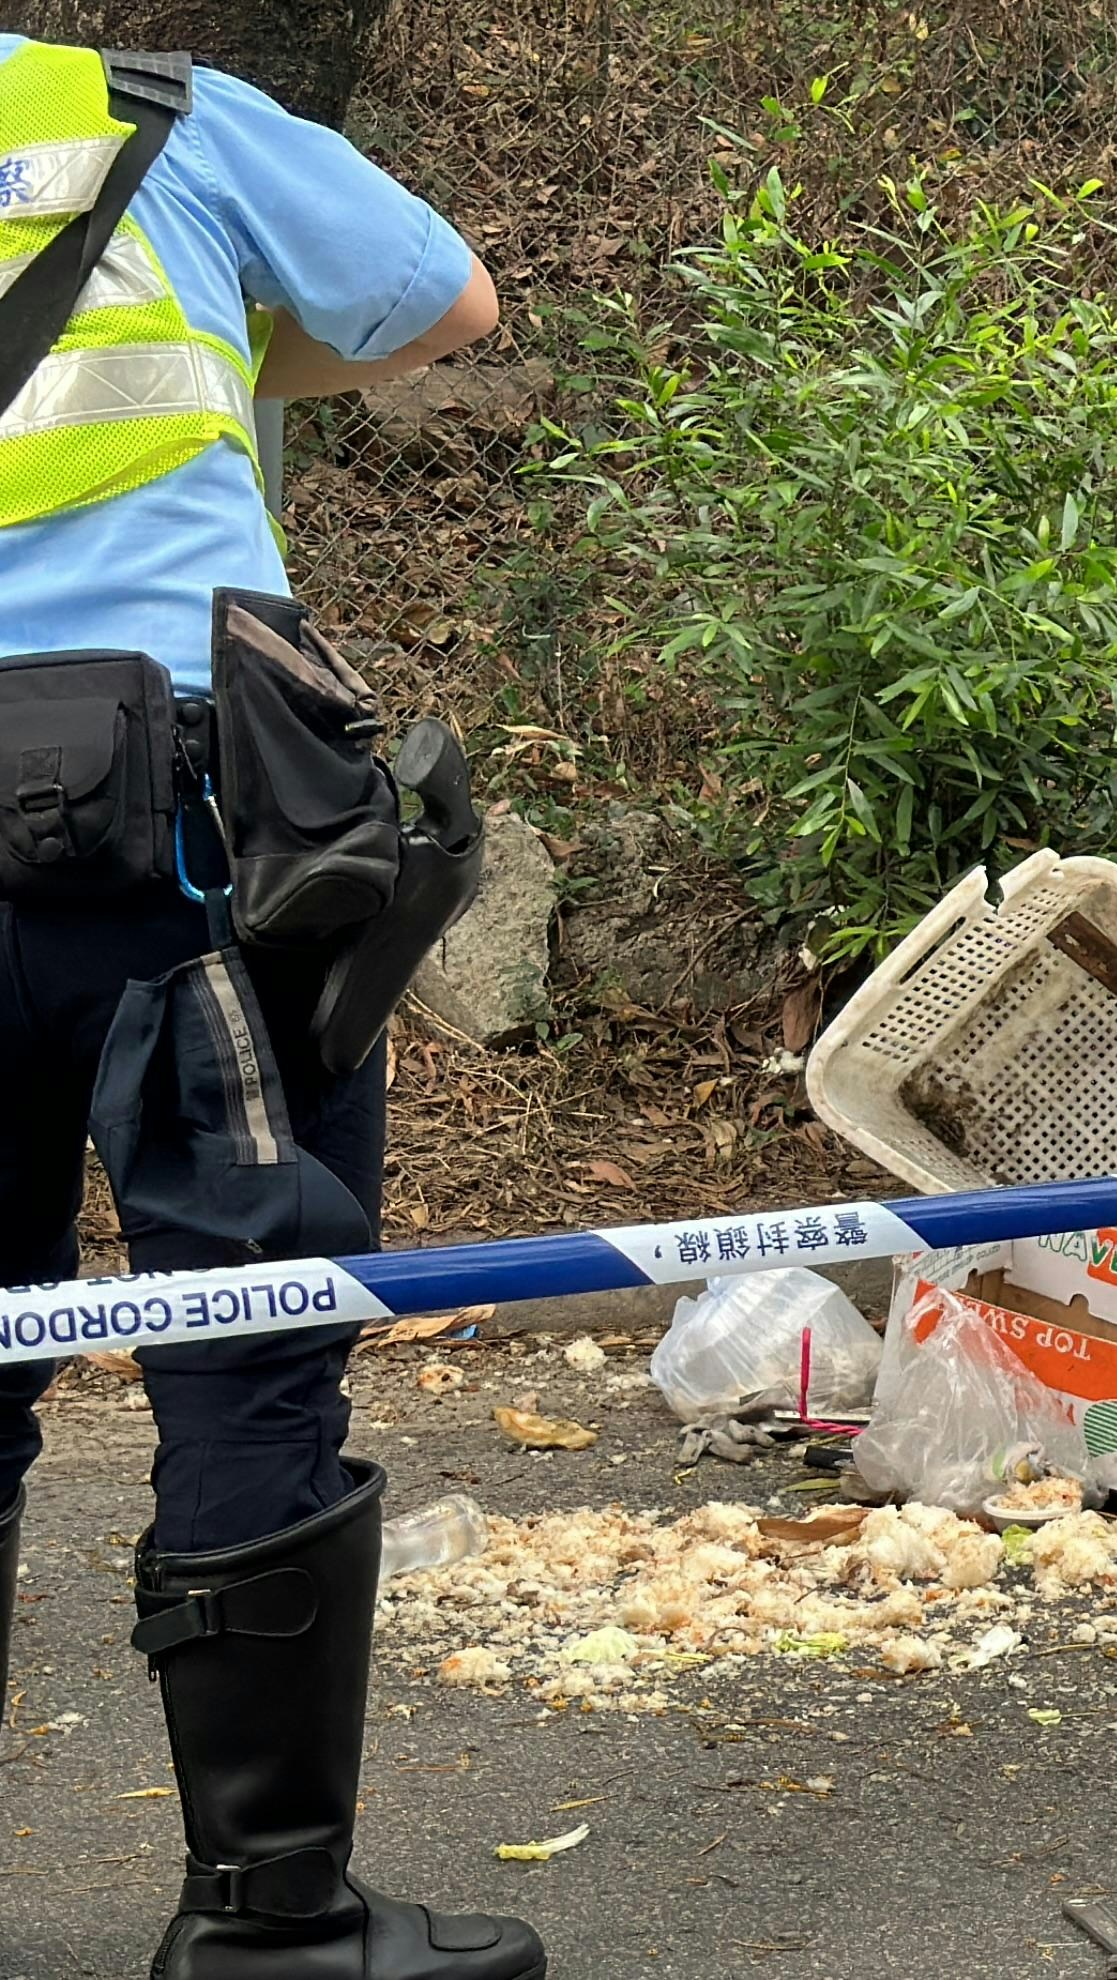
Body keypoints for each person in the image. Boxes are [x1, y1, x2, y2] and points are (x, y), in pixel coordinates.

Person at [0, 34, 543, 1978]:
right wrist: (230, 348)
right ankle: (268, 1924)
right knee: (245, 1334)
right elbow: (449, 301)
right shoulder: (146, 115)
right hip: (189, 825)